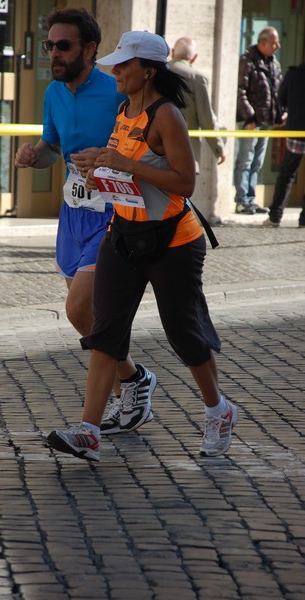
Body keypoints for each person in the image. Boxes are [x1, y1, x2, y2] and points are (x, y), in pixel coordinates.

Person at [46, 30, 238, 462]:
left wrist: (125, 164)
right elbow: (127, 175)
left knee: (184, 333)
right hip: (123, 235)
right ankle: (88, 431)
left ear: (147, 71)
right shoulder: (123, 108)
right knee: (105, 332)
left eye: (123, 65)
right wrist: (98, 166)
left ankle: (218, 410)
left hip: (173, 240)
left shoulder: (166, 115)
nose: (114, 70)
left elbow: (184, 183)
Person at [15, 9, 156, 434]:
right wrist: (35, 156)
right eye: (50, 45)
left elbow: (148, 150)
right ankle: (131, 384)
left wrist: (112, 161)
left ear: (90, 49)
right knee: (86, 317)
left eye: (64, 46)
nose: (54, 54)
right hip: (73, 214)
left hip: (114, 214)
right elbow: (53, 147)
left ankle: (120, 396)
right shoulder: (54, 93)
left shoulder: (117, 90)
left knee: (78, 306)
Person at [234, 27, 283, 215]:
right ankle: (242, 200)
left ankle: (251, 200)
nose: (277, 46)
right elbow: (240, 91)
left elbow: (276, 91)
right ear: (262, 43)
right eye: (274, 43)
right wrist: (250, 117)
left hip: (266, 122)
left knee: (257, 163)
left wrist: (280, 113)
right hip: (251, 122)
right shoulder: (247, 60)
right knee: (245, 161)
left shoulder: (274, 63)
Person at [169, 36, 226, 174]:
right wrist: (219, 148)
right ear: (194, 58)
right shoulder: (197, 78)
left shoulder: (156, 72)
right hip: (185, 151)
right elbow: (206, 118)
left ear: (172, 52)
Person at [263, 61, 305, 228]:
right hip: (296, 130)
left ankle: (275, 216)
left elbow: (281, 99)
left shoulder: (293, 74)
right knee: (287, 174)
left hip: (296, 130)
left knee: (287, 174)